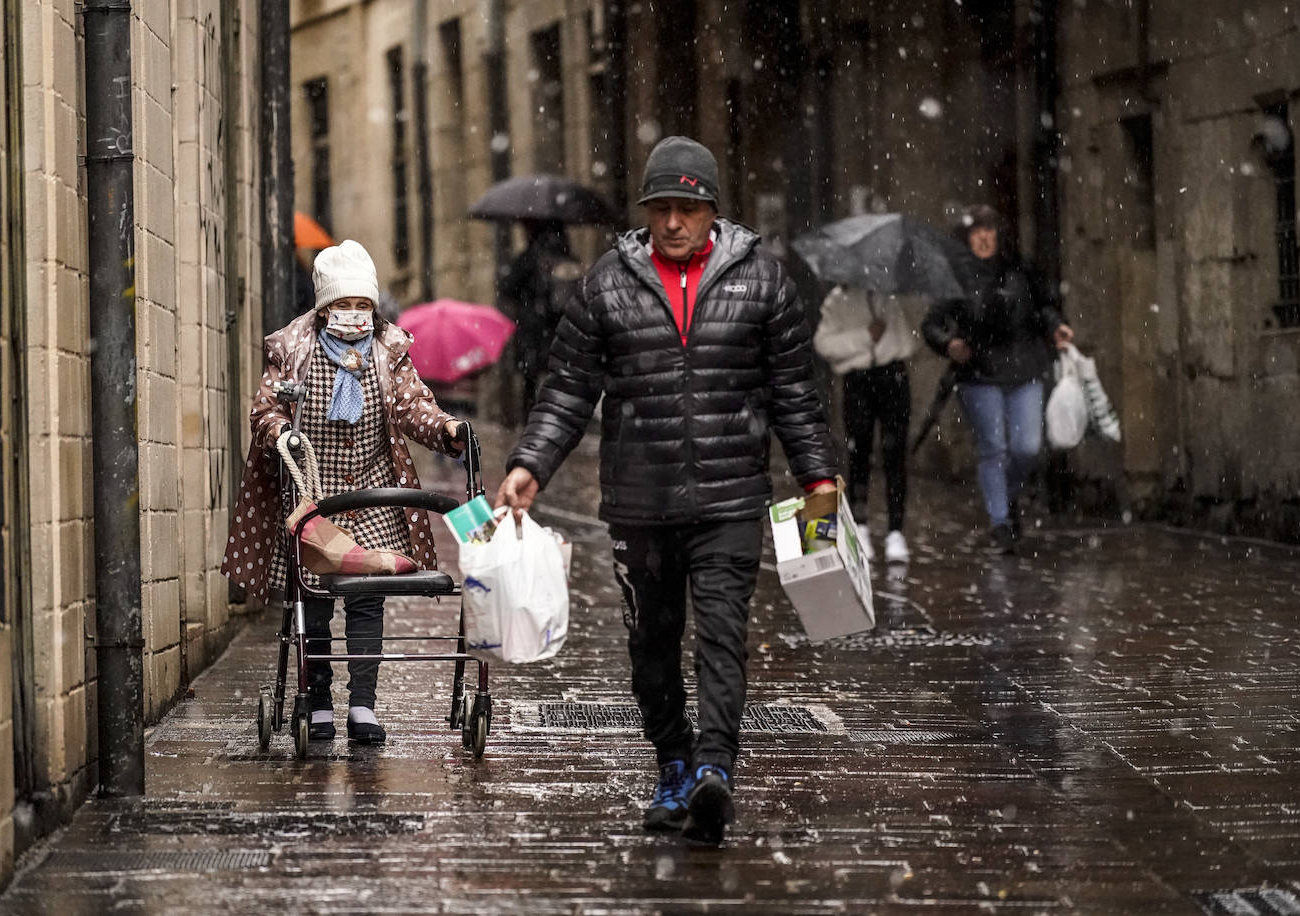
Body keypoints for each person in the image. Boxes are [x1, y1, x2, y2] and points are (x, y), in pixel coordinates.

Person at [494, 136, 839, 846]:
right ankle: (673, 763)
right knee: (652, 644)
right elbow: (566, 391)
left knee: (722, 636)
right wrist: (531, 464)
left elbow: (795, 395)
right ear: (647, 213)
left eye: (688, 208)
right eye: (662, 209)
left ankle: (715, 770)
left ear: (712, 210)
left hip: (731, 499)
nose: (674, 223)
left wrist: (819, 481)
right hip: (639, 503)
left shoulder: (762, 282)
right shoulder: (606, 286)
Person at [221, 240, 468, 742]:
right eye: (343, 305)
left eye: (362, 306)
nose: (354, 315)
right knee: (314, 598)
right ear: (324, 306)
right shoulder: (294, 351)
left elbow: (412, 407)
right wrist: (280, 431)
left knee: (367, 599)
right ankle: (316, 702)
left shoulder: (387, 353)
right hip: (316, 497)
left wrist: (446, 429)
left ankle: (362, 706)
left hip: (375, 497)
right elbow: (265, 408)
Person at [921, 205, 1074, 553]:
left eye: (989, 230)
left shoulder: (1020, 269)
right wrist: (950, 344)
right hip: (980, 374)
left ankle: (1008, 496)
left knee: (1027, 448)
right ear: (966, 238)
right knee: (993, 448)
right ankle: (1001, 522)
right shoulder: (957, 278)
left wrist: (1055, 328)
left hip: (1024, 368)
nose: (984, 238)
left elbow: (1044, 306)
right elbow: (931, 324)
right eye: (976, 232)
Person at [812, 284, 918, 564]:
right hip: (858, 380)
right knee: (859, 451)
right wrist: (864, 338)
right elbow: (824, 343)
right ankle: (860, 524)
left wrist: (884, 336)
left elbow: (905, 340)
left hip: (892, 376)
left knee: (895, 453)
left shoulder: (888, 294)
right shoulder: (837, 300)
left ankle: (896, 529)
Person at [498, 219, 584, 417]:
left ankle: (531, 423)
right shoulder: (566, 257)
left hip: (533, 331)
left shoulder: (529, 258)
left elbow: (507, 287)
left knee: (531, 382)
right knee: (560, 380)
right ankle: (559, 418)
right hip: (561, 330)